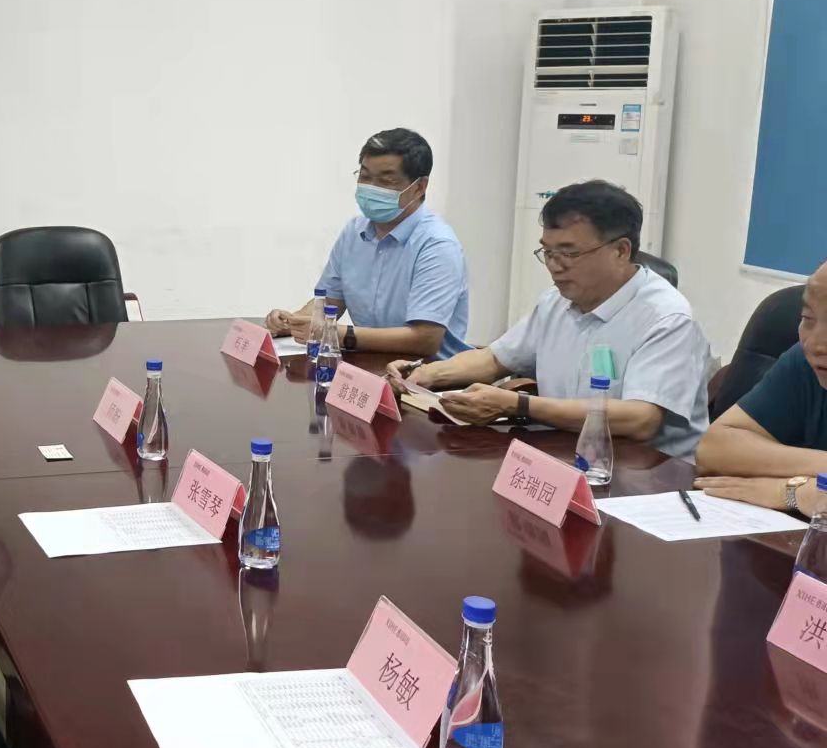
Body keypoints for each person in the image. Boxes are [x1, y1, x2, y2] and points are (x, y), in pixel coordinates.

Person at [388, 180, 710, 457]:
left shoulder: (667, 319)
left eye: (569, 253)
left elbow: (640, 419)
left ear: (621, 250)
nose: (555, 265)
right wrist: (423, 375)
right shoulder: (557, 300)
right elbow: (495, 359)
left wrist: (519, 405)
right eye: (548, 252)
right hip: (565, 455)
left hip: (647, 476)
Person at [264, 128, 471, 361]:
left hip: (427, 375)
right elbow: (329, 301)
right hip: (367, 367)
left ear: (419, 187)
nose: (371, 187)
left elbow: (425, 339)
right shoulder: (354, 232)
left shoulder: (437, 245)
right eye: (365, 176)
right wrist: (293, 322)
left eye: (386, 180)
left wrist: (341, 334)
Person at [694, 258, 827, 513]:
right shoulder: (805, 362)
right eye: (808, 318)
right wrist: (811, 481)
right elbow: (714, 448)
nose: (815, 344)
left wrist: (787, 492)